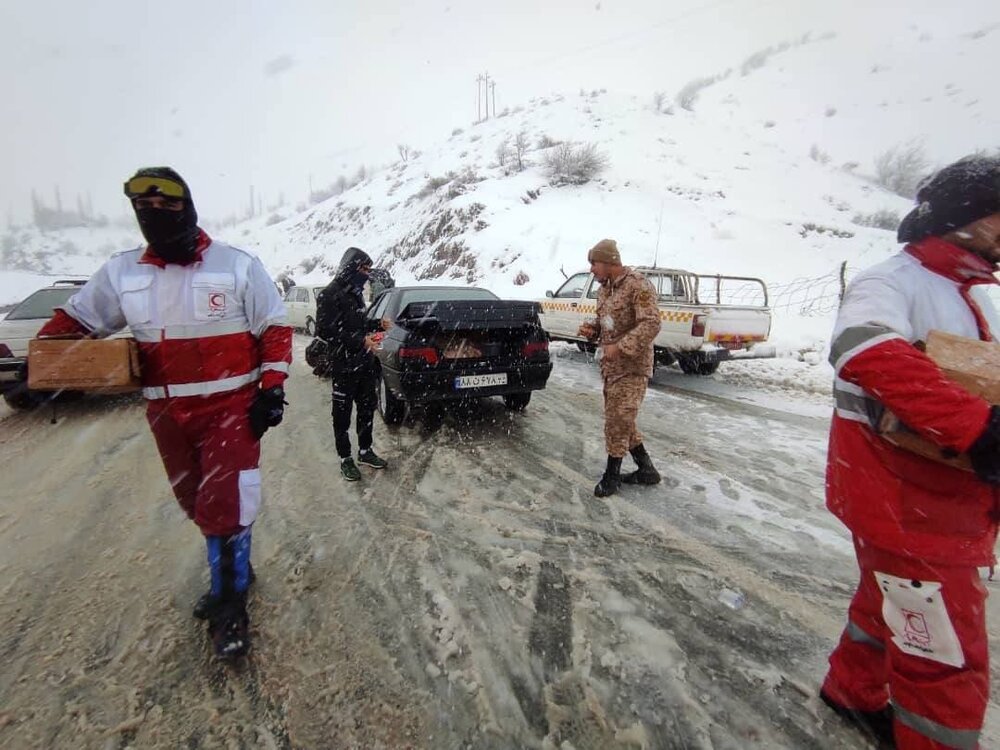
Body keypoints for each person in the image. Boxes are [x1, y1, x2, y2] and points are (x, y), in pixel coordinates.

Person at [37, 167, 292, 659]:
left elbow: (275, 327)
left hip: (229, 408)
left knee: (227, 501)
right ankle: (232, 568)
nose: (156, 212)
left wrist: (271, 387)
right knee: (197, 502)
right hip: (166, 413)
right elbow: (78, 319)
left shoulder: (235, 265)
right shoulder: (122, 272)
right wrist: (48, 358)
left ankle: (229, 604)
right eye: (144, 205)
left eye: (169, 203)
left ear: (189, 206)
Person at [820, 156, 1000, 748]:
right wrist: (979, 429)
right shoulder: (891, 281)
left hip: (945, 503)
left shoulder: (975, 290)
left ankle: (850, 689)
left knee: (886, 603)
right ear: (967, 217)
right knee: (944, 662)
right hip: (906, 503)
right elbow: (864, 351)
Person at [576, 239, 662, 497]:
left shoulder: (638, 285)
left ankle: (611, 476)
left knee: (618, 420)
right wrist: (594, 330)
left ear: (610, 261)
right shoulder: (605, 290)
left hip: (633, 367)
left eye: (594, 263)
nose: (592, 269)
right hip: (611, 368)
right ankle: (646, 470)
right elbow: (609, 323)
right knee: (623, 419)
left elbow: (651, 323)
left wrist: (621, 346)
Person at [316, 247, 389, 481]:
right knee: (342, 415)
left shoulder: (355, 293)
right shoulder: (330, 294)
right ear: (351, 267)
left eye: (369, 269)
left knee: (367, 409)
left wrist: (378, 325)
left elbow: (359, 323)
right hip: (343, 366)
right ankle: (345, 458)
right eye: (364, 269)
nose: (367, 274)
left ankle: (365, 451)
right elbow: (326, 331)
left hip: (364, 365)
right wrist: (359, 340)